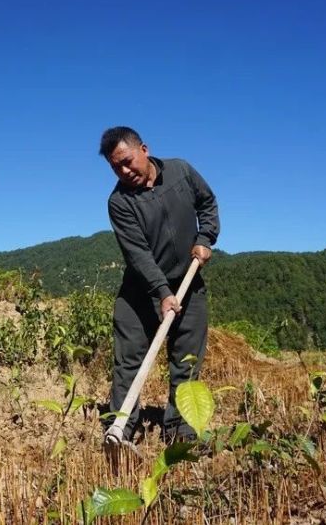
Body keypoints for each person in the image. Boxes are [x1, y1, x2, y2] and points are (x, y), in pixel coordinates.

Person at [100, 126, 219, 444]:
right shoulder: (119, 203)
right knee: (128, 361)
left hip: (188, 283)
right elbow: (137, 254)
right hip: (141, 290)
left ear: (144, 149)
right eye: (116, 168)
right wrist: (162, 292)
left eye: (127, 161)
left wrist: (205, 238)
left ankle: (180, 430)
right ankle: (120, 428)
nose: (124, 171)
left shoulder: (181, 171)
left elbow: (207, 204)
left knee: (186, 359)